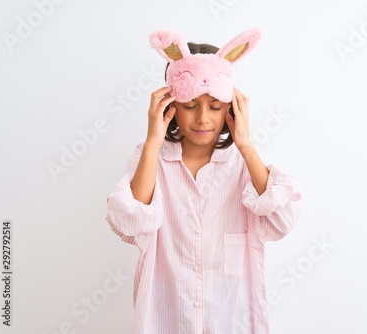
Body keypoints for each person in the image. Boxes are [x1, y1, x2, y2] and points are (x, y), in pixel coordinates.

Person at [105, 28, 302, 334]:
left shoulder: (241, 166)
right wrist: (153, 142)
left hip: (229, 319)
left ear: (231, 106)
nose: (203, 119)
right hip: (166, 319)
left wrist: (246, 144)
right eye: (190, 106)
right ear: (171, 103)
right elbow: (130, 222)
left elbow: (283, 218)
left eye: (214, 107)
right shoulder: (150, 158)